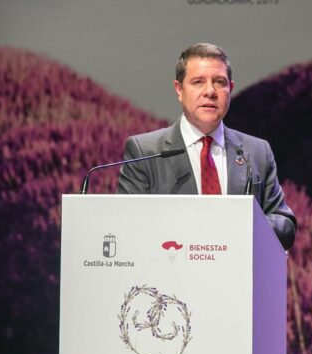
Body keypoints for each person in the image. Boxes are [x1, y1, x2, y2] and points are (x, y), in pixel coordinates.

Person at [117, 43, 296, 250]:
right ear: (179, 90)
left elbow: (285, 225)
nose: (210, 91)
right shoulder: (145, 151)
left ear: (231, 89)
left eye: (219, 82)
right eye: (198, 82)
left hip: (238, 269)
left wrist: (245, 224)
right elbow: (128, 226)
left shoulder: (256, 152)